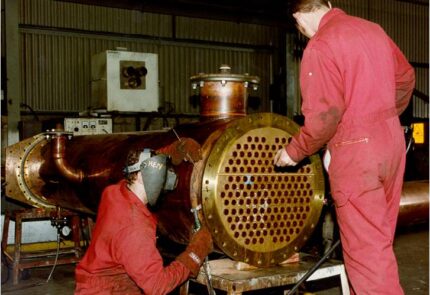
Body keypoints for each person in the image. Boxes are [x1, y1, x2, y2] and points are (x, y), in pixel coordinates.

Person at [273, 1, 415, 294]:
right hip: (391, 141)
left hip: (356, 151)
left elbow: (324, 117)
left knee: (366, 256)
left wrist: (293, 152)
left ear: (298, 17)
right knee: (378, 242)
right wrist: (383, 116)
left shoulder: (321, 45)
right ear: (326, 3)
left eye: (298, 27)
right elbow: (405, 78)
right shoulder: (372, 30)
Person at [75, 147, 213, 294]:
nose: (165, 176)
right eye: (161, 171)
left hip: (98, 286)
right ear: (141, 176)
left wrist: (169, 152)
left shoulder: (113, 192)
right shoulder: (135, 228)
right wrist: (195, 252)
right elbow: (157, 286)